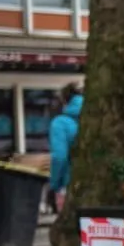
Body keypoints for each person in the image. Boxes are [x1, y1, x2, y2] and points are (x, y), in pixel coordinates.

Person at [47, 83, 82, 212]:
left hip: (70, 184)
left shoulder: (60, 123)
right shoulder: (98, 118)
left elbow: (59, 157)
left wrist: (54, 185)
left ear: (64, 101)